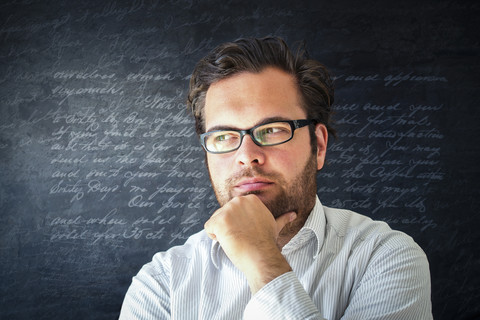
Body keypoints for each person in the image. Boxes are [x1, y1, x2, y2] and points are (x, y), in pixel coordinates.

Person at [119, 36, 432, 319]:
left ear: (318, 146)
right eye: (225, 136)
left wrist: (263, 261)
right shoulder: (162, 283)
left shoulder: (386, 258)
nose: (246, 155)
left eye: (271, 130)